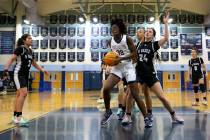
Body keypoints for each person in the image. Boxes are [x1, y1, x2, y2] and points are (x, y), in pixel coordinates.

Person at [134, 11, 184, 126]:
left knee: (161, 97)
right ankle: (146, 115)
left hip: (151, 75)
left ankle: (173, 115)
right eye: (146, 31)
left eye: (150, 32)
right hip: (140, 75)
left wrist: (166, 23)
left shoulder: (153, 44)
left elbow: (166, 38)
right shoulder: (138, 44)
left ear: (153, 35)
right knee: (137, 94)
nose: (147, 32)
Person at [100, 19, 152, 128]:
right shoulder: (110, 41)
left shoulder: (127, 39)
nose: (113, 29)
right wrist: (108, 62)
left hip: (128, 67)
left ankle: (146, 117)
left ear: (120, 29)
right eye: (112, 28)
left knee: (135, 94)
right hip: (117, 68)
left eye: (116, 28)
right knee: (106, 88)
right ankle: (108, 111)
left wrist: (121, 58)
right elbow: (112, 56)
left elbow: (135, 54)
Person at [3, 34, 49, 126]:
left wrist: (42, 70)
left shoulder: (31, 51)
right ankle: (19, 117)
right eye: (29, 38)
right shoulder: (20, 49)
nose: (31, 40)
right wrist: (5, 69)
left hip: (25, 75)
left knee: (19, 95)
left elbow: (34, 63)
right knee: (24, 93)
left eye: (32, 38)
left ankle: (15, 116)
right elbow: (11, 59)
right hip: (18, 73)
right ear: (24, 40)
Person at [122, 28, 153, 125]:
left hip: (148, 72)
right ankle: (127, 114)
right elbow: (133, 59)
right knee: (131, 92)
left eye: (139, 32)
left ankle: (149, 113)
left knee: (147, 93)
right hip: (138, 72)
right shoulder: (137, 45)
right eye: (137, 32)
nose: (137, 33)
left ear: (144, 34)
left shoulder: (150, 44)